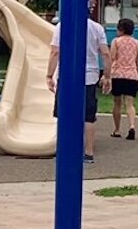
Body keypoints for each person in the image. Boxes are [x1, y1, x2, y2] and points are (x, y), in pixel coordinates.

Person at [46, 10, 110, 163]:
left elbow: (55, 52)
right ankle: (88, 152)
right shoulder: (97, 28)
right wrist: (107, 76)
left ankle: (64, 149)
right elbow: (105, 53)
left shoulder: (61, 26)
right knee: (88, 116)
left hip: (67, 75)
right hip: (89, 76)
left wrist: (49, 75)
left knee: (64, 113)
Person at [108, 17, 138, 141]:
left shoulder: (116, 42)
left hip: (117, 74)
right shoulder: (137, 43)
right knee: (130, 104)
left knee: (117, 102)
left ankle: (117, 129)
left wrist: (107, 74)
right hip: (131, 74)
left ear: (121, 29)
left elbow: (112, 57)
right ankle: (132, 126)